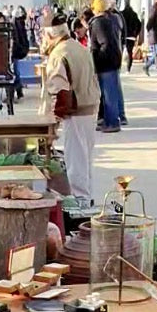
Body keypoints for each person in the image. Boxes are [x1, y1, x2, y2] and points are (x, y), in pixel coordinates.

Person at [41, 16, 100, 202]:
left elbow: (60, 94)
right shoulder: (79, 48)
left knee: (76, 162)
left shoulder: (59, 54)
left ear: (50, 34)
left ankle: (80, 202)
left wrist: (52, 123)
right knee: (85, 160)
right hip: (89, 107)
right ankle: (87, 198)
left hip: (75, 111)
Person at [88, 0, 124, 132]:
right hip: (112, 61)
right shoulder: (110, 20)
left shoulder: (99, 23)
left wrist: (97, 58)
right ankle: (109, 121)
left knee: (109, 95)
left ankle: (112, 122)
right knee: (109, 93)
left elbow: (104, 44)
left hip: (106, 63)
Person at [11, 6, 30, 99]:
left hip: (15, 50)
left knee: (15, 71)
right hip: (17, 49)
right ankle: (18, 91)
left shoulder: (16, 23)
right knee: (15, 70)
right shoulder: (20, 23)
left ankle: (17, 91)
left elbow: (18, 38)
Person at [121, 0, 141, 71]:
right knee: (130, 52)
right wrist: (136, 33)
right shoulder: (134, 14)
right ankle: (128, 68)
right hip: (131, 36)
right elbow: (139, 24)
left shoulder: (122, 14)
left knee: (120, 51)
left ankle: (118, 67)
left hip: (123, 35)